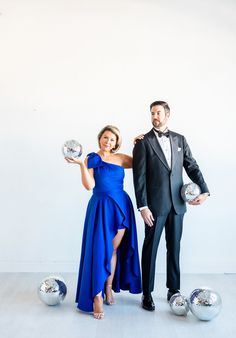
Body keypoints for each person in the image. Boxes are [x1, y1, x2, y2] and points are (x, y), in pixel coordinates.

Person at [132, 100, 210, 311]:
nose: (154, 116)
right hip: (154, 207)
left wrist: (205, 190)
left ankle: (173, 289)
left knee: (174, 248)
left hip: (178, 204)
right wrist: (143, 206)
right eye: (151, 113)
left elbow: (192, 166)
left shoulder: (180, 139)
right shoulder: (142, 142)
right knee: (150, 249)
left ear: (167, 114)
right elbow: (138, 177)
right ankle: (146, 293)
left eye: (158, 112)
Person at [65, 125, 142, 319]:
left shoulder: (122, 158)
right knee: (100, 251)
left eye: (112, 139)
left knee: (113, 250)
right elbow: (89, 186)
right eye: (105, 138)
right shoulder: (92, 158)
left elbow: (143, 163)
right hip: (100, 208)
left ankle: (108, 287)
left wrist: (140, 144)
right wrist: (82, 165)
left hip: (121, 207)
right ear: (100, 138)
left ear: (117, 142)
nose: (108, 142)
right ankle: (96, 295)